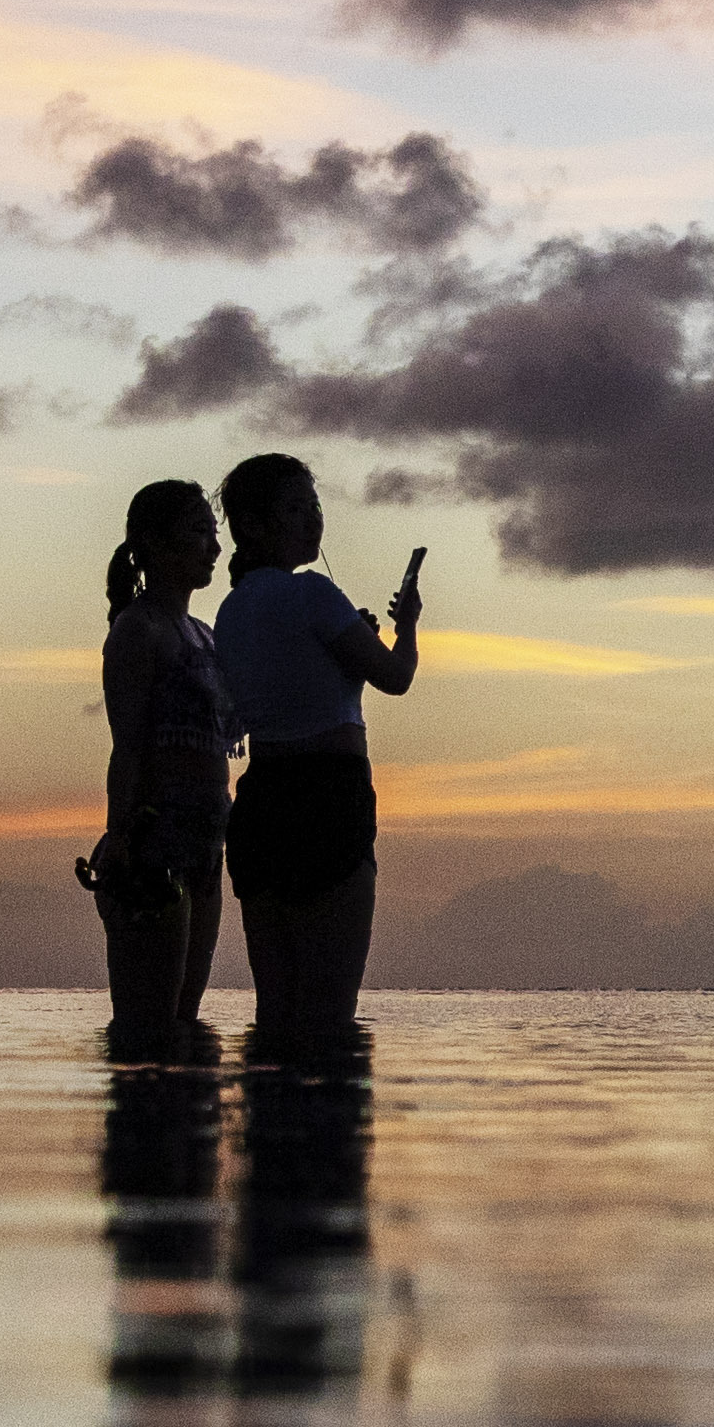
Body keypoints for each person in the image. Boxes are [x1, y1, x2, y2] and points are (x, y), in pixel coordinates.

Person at [207, 450, 416, 1057]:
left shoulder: (230, 609)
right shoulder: (316, 595)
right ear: (255, 524)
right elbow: (395, 677)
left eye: (315, 506)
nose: (313, 520)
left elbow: (274, 684)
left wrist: (346, 636)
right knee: (330, 1014)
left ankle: (268, 1142)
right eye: (296, 508)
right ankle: (327, 1145)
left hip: (264, 800)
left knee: (275, 1011)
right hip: (329, 795)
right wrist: (406, 629)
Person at [88, 477, 233, 1053]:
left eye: (213, 534)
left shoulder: (205, 635)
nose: (214, 549)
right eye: (199, 533)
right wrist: (120, 836)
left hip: (208, 835)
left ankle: (187, 1136)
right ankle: (141, 1135)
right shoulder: (137, 630)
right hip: (154, 838)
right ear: (154, 544)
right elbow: (126, 746)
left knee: (186, 1021)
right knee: (147, 1025)